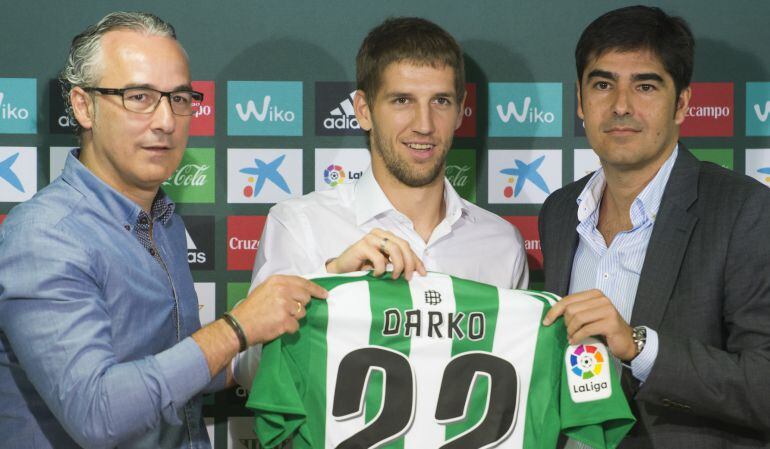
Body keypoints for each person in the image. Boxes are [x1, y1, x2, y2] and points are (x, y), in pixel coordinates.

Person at [0, 12, 325, 449]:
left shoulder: (160, 220)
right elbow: (99, 414)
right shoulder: (46, 237)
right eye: (138, 96)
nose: (166, 121)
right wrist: (236, 327)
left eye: (179, 98)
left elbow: (173, 368)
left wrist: (325, 290)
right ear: (83, 105)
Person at [234, 16, 528, 387]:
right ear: (363, 110)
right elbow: (251, 373)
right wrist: (331, 283)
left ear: (460, 110)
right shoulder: (300, 225)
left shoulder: (502, 243)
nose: (424, 124)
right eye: (402, 100)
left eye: (440, 101)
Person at [539, 6, 770, 448]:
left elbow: (763, 385)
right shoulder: (558, 210)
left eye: (645, 86)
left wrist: (640, 347)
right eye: (603, 84)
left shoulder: (745, 210)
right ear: (580, 101)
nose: (621, 106)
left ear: (682, 102)